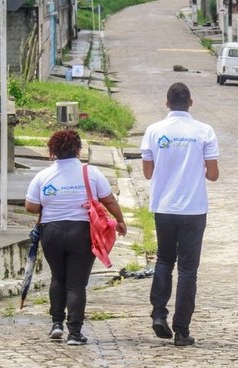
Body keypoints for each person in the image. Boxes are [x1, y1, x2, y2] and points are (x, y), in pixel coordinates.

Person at [25, 130, 127, 346]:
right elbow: (108, 200)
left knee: (58, 278)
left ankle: (56, 324)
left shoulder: (43, 176)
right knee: (76, 284)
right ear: (78, 150)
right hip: (82, 232)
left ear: (52, 152)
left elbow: (31, 206)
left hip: (51, 232)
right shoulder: (91, 173)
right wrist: (120, 221)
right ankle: (75, 333)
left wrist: (54, 202)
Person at [141, 82, 219, 347]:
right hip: (194, 209)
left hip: (164, 206)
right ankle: (182, 330)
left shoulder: (153, 131)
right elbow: (214, 174)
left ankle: (159, 313)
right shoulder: (204, 131)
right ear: (191, 103)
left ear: (167, 103)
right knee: (188, 270)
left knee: (164, 260)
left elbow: (148, 172)